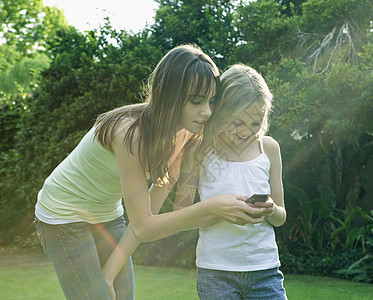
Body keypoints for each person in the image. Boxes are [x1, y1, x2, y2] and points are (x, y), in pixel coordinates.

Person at [34, 45, 267, 300]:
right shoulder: (128, 134)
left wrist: (109, 275)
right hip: (62, 215)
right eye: (197, 101)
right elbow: (145, 227)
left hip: (107, 215)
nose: (207, 112)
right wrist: (211, 207)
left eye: (211, 101)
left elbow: (145, 219)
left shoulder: (188, 133)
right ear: (171, 96)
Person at [176, 63, 287, 299]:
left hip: (265, 270)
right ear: (220, 111)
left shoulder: (269, 148)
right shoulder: (197, 151)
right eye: (237, 123)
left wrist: (270, 209)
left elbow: (281, 217)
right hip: (216, 272)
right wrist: (218, 209)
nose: (246, 132)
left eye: (255, 123)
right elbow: (180, 215)